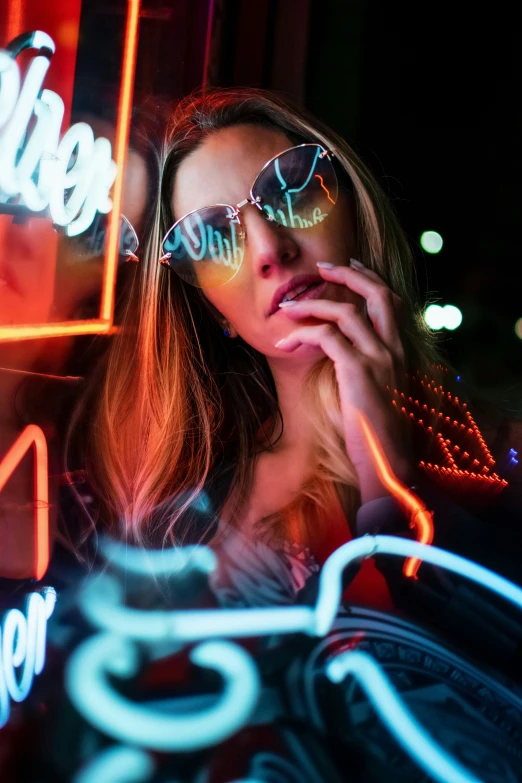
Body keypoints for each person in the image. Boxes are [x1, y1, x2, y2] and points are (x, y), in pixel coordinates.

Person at [71, 86, 522, 610]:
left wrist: (391, 481)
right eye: (215, 237)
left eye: (292, 191)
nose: (269, 249)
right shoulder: (188, 516)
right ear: (215, 309)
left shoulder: (504, 458)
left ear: (353, 211)